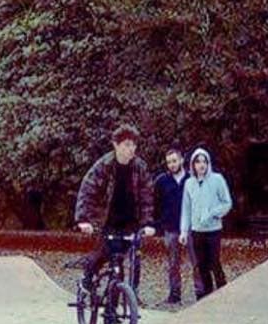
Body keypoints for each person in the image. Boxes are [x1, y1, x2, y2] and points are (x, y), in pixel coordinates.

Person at [75, 123, 156, 291]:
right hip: (106, 220)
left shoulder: (139, 167)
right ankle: (87, 276)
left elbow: (146, 197)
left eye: (134, 145)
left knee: (123, 261)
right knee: (104, 253)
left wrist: (148, 224)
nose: (131, 149)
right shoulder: (104, 166)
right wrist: (83, 219)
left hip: (130, 221)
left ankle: (115, 307)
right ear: (116, 145)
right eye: (127, 145)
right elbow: (87, 190)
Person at [180, 147, 232, 299]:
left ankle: (224, 292)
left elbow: (226, 202)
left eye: (204, 161)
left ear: (208, 163)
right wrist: (184, 231)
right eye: (198, 162)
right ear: (193, 165)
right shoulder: (189, 183)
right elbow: (186, 209)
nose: (201, 165)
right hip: (197, 231)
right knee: (201, 265)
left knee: (214, 262)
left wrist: (213, 213)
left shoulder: (217, 179)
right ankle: (208, 296)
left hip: (213, 230)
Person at [153, 146, 202, 304]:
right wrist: (159, 224)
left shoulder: (192, 179)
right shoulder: (161, 181)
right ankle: (174, 293)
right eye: (169, 162)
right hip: (171, 228)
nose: (172, 165)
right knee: (173, 263)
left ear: (181, 160)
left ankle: (201, 292)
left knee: (197, 262)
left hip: (191, 228)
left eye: (174, 161)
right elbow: (156, 204)